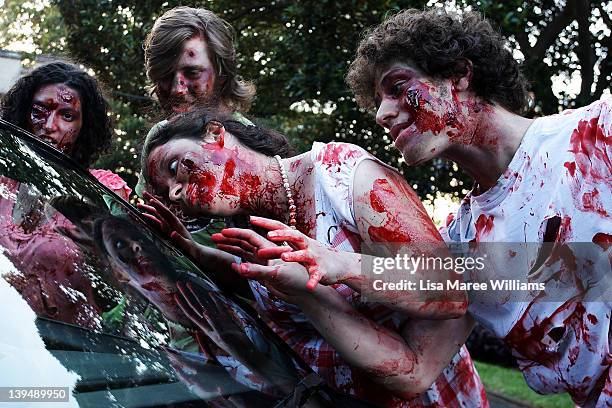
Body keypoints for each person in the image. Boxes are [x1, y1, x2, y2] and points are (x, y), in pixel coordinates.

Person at [243, 8, 610, 406]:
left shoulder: (596, 134)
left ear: (460, 74)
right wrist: (318, 279)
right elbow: (415, 370)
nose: (382, 114)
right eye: (379, 100)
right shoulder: (462, 244)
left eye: (398, 87)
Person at [137, 108, 487, 407]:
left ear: (215, 134)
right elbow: (257, 280)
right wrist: (193, 251)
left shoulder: (340, 175)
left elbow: (447, 289)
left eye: (173, 167)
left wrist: (339, 265)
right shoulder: (244, 225)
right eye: (168, 192)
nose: (175, 190)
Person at [0, 61, 131, 327]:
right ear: (23, 113)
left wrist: (99, 255)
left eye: (67, 115)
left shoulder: (102, 191)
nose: (49, 125)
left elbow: (124, 287)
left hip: (69, 351)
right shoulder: (1, 183)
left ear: (85, 126)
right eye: (39, 111)